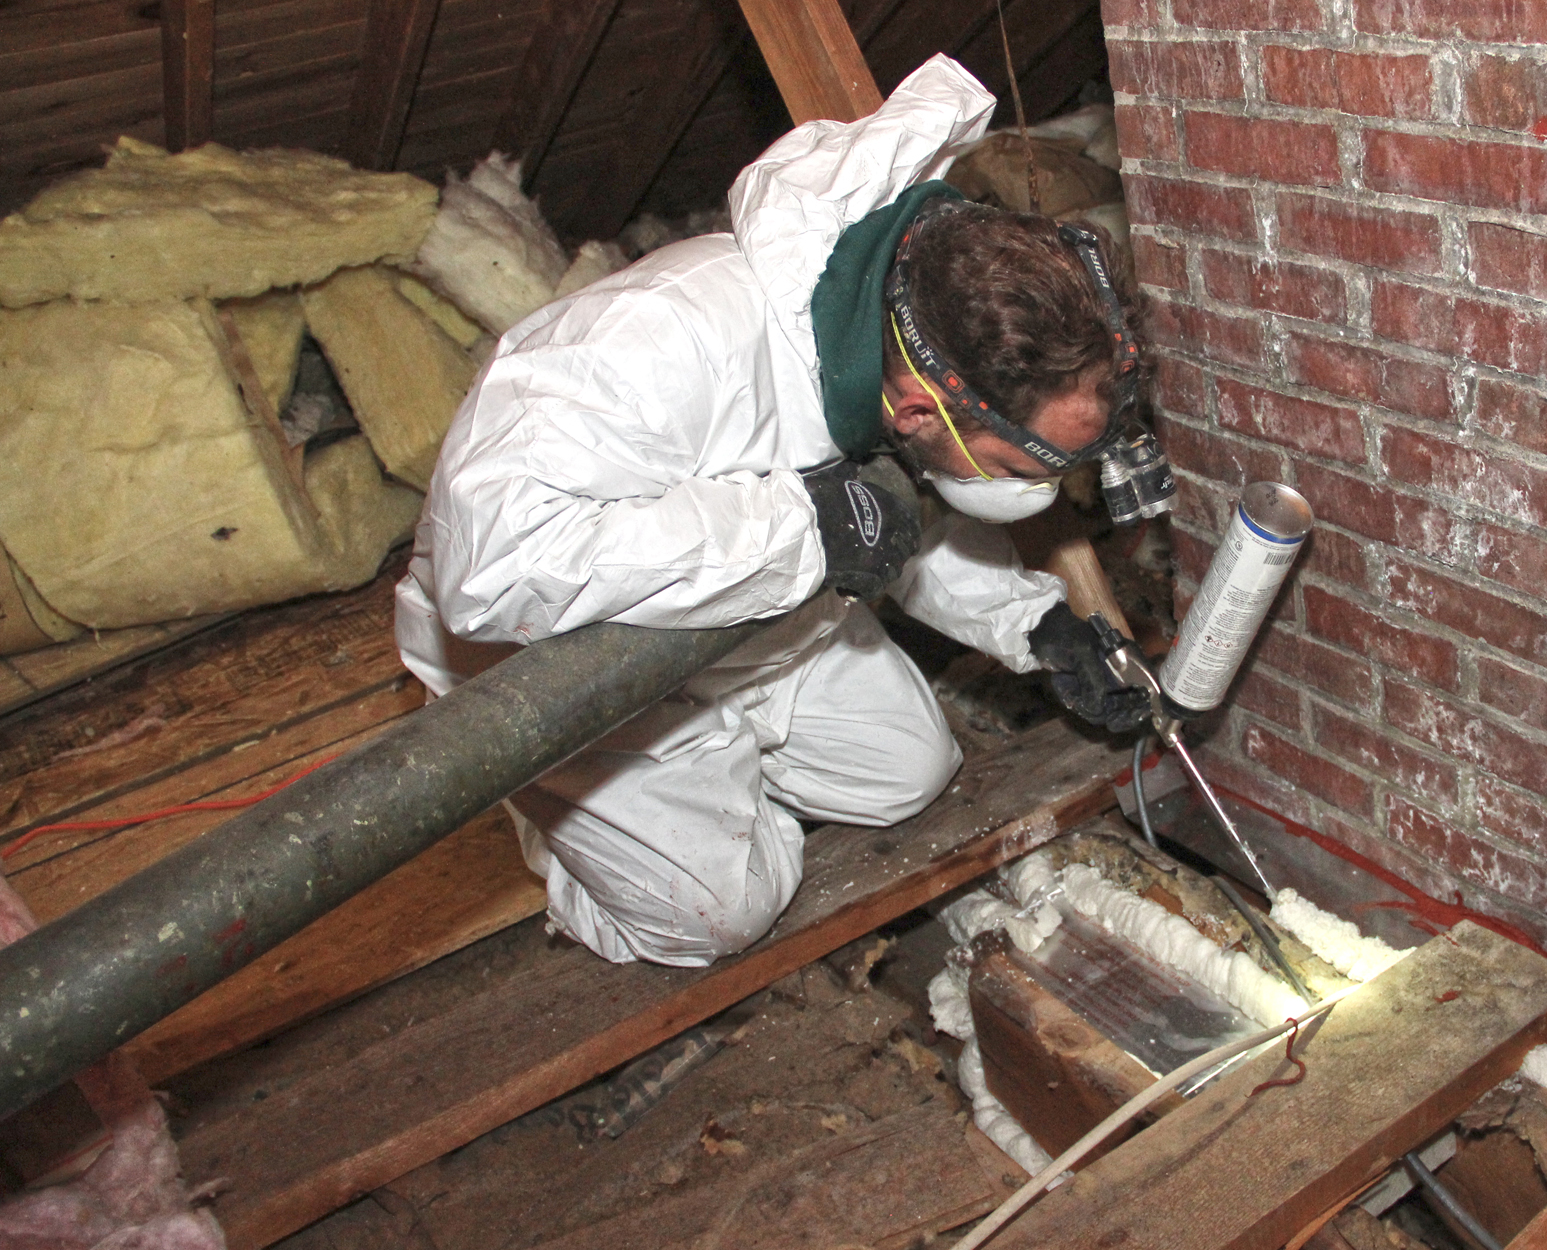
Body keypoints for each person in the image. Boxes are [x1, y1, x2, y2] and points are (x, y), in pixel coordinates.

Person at [395, 55, 1150, 968]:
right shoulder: (664, 339)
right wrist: (803, 529)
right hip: (560, 660)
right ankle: (568, 822)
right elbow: (491, 572)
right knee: (719, 917)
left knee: (908, 771)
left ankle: (707, 783)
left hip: (747, 623)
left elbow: (896, 514)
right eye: (1017, 462)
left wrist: (1040, 626)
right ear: (920, 410)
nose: (1031, 486)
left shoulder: (894, 324)